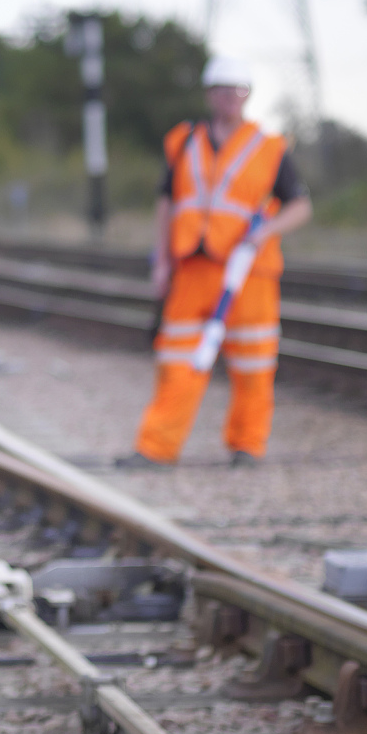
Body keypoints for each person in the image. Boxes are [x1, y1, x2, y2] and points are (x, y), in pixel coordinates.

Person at [123, 55, 313, 468]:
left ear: (246, 95)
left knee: (254, 365)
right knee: (177, 361)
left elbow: (300, 206)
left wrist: (264, 233)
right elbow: (167, 202)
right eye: (222, 89)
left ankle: (247, 446)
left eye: (237, 90)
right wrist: (161, 260)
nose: (229, 97)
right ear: (210, 94)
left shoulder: (269, 147)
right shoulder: (183, 142)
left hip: (250, 273)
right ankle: (156, 448)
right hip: (191, 267)